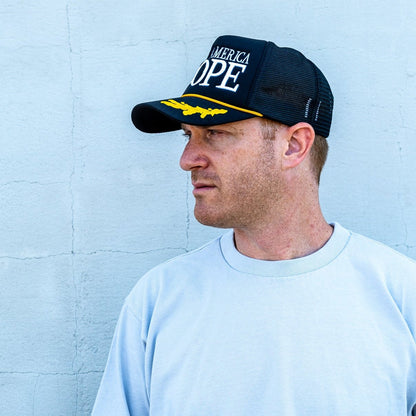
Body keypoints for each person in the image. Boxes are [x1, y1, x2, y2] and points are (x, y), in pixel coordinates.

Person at [92, 35, 416, 415]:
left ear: (294, 145)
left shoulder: (398, 293)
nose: (187, 159)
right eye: (188, 135)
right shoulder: (158, 300)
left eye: (215, 133)